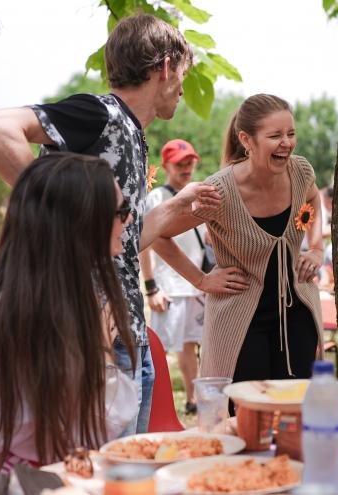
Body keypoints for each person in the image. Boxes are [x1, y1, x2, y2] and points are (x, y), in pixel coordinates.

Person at [0, 13, 225, 435]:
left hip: (130, 339)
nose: (183, 87)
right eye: (182, 73)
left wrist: (176, 206)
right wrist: (56, 213)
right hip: (90, 345)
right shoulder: (102, 113)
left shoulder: (131, 133)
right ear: (164, 68)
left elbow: (120, 241)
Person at [0, 153, 138, 473]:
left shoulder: (25, 300)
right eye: (120, 211)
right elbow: (99, 424)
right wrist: (103, 342)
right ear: (82, 222)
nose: (129, 220)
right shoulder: (38, 316)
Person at [159, 94, 324, 383]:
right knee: (248, 418)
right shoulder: (218, 192)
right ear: (247, 140)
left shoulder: (300, 172)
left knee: (298, 410)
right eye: (275, 135)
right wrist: (201, 280)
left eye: (291, 133)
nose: (287, 142)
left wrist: (317, 249)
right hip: (240, 325)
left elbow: (314, 199)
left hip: (298, 316)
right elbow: (160, 235)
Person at [138, 139, 208, 415]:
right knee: (163, 347)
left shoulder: (199, 194)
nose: (186, 168)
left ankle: (193, 399)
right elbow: (145, 245)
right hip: (169, 286)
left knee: (191, 345)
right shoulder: (156, 198)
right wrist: (151, 287)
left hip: (195, 285)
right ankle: (157, 406)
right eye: (180, 163)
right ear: (166, 165)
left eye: (190, 162)